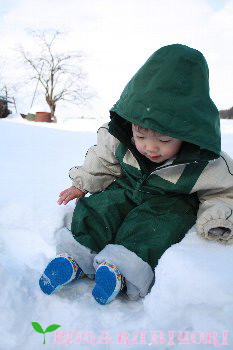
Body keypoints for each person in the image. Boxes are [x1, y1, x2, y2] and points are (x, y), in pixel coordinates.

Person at [39, 43, 233, 305]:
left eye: (164, 140)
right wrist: (82, 183)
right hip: (126, 188)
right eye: (140, 135)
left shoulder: (205, 161)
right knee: (101, 207)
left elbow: (224, 191)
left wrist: (217, 218)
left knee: (154, 226)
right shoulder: (119, 138)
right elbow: (102, 159)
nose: (150, 147)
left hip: (168, 202)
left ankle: (121, 268)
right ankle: (75, 255)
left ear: (186, 135)